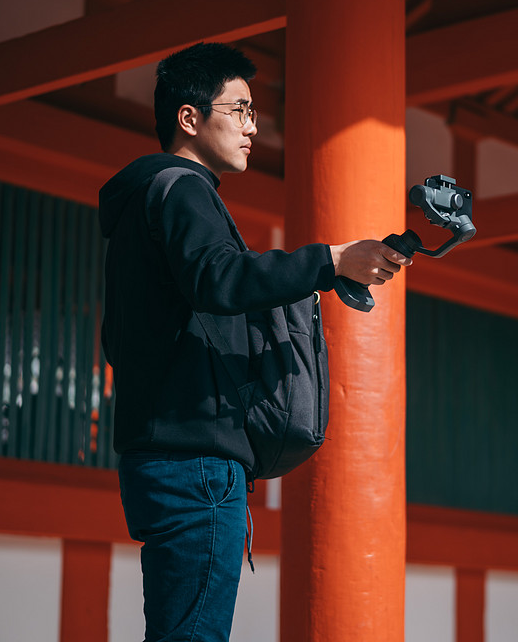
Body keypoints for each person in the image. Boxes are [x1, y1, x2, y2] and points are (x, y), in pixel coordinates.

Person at [97, 42, 409, 642]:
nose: (251, 125)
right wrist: (333, 260)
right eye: (237, 109)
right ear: (190, 118)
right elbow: (221, 277)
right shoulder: (184, 188)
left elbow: (123, 338)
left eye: (252, 111)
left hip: (154, 452)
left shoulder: (139, 204)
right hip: (198, 461)